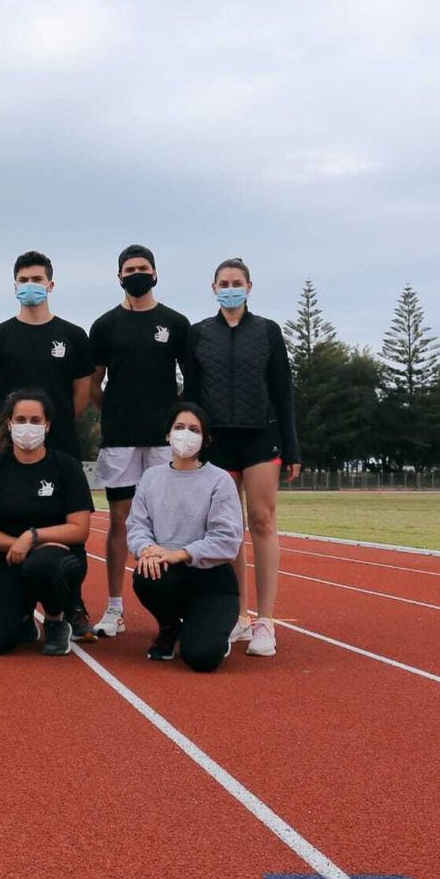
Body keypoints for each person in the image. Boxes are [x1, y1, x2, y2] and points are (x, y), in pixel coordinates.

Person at [184, 257, 301, 657]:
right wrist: (191, 441)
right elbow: (191, 394)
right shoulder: (199, 334)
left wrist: (292, 447)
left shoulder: (267, 331)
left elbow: (282, 390)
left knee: (262, 520)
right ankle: (240, 615)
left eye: (237, 283)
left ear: (249, 287)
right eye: (224, 283)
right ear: (213, 288)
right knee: (228, 529)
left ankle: (266, 621)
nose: (230, 289)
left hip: (261, 438)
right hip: (217, 441)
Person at [0, 250, 95, 639]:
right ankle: (15, 605)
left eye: (37, 279)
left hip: (59, 443)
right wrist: (17, 426)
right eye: (23, 280)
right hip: (10, 446)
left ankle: (71, 605)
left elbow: (81, 396)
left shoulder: (73, 336)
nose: (31, 286)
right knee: (7, 513)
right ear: (14, 286)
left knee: (64, 523)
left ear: (51, 284)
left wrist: (47, 426)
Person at [88, 244, 196, 639]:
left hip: (164, 441)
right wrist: (117, 410)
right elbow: (93, 383)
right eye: (130, 269)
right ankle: (115, 607)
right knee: (120, 520)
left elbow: (190, 379)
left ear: (156, 273)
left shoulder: (176, 323)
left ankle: (174, 611)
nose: (137, 274)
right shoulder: (104, 325)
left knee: (170, 522)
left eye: (143, 268)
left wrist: (173, 419)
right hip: (120, 439)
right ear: (119, 276)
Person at [0, 390, 94, 656]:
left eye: (36, 420)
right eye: (21, 419)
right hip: (8, 556)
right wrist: (19, 544)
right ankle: (22, 616)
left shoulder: (67, 468)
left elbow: (80, 529)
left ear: (47, 425)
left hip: (56, 557)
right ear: (9, 424)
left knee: (42, 563)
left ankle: (55, 620)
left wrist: (32, 537)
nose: (28, 426)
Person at [127, 403, 245, 671]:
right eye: (179, 427)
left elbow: (227, 539)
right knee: (147, 573)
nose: (185, 434)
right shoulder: (151, 478)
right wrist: (146, 549)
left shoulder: (220, 480)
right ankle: (170, 627)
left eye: (194, 430)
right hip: (169, 574)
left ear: (206, 439)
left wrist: (180, 554)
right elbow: (137, 525)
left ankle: (210, 631)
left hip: (212, 580)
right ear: (168, 434)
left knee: (202, 659)